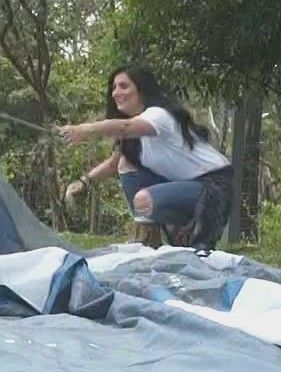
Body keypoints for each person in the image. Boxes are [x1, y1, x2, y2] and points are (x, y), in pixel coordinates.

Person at [59, 65, 233, 252]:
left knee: (143, 200)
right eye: (114, 88)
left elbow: (125, 127)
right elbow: (113, 164)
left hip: (214, 186)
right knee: (126, 164)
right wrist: (84, 182)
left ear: (142, 90)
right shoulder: (134, 135)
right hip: (181, 185)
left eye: (124, 86)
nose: (116, 93)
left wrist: (84, 129)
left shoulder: (158, 115)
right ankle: (147, 237)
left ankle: (194, 239)